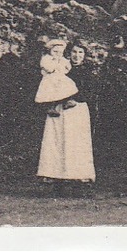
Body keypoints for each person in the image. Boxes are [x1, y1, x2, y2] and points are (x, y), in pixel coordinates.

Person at [35, 39, 95, 195]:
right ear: (69, 53)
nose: (77, 56)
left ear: (84, 55)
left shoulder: (88, 71)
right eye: (74, 52)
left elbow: (91, 91)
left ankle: (78, 182)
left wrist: (76, 99)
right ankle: (58, 181)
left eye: (80, 52)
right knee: (58, 143)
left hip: (78, 110)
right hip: (60, 110)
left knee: (77, 145)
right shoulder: (61, 67)